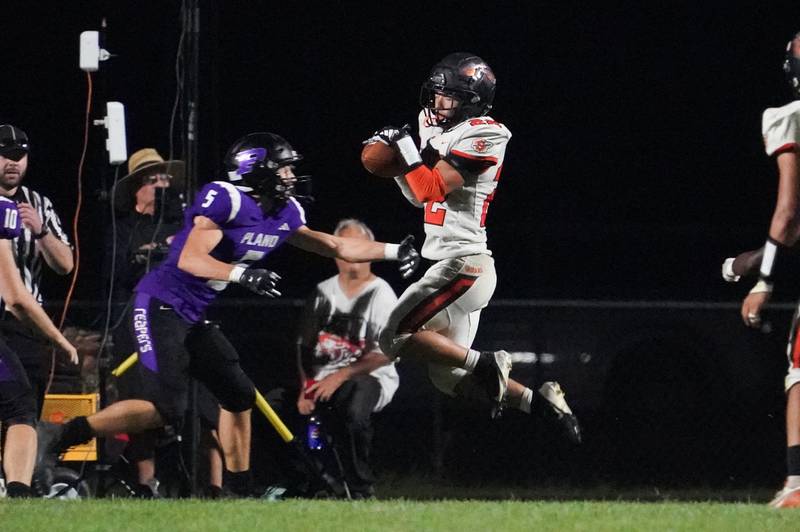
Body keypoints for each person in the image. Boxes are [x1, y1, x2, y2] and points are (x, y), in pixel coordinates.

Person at [37, 131, 420, 497]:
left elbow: (333, 244)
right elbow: (189, 258)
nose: (290, 176)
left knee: (239, 396)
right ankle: (67, 433)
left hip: (192, 314)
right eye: (282, 168)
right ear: (258, 170)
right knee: (169, 407)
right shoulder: (226, 199)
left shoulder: (285, 212)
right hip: (159, 306)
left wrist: (392, 251)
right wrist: (242, 273)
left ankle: (238, 490)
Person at [369, 53, 581, 443]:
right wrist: (399, 162)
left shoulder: (488, 133)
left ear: (471, 100)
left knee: (393, 334)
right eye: (436, 94)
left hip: (463, 266)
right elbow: (419, 196)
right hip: (451, 267)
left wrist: (407, 154)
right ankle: (541, 402)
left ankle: (488, 360)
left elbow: (430, 186)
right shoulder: (434, 125)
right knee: (449, 378)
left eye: (447, 96)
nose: (437, 103)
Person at [104, 147, 223, 498]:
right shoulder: (123, 229)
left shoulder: (186, 224)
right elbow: (119, 272)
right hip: (138, 324)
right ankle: (146, 485)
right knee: (145, 402)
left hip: (185, 320)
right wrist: (155, 248)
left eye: (165, 178)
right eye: (152, 179)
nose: (161, 184)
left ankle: (214, 487)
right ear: (137, 188)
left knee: (204, 403)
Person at [723, 32, 800, 509]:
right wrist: (752, 259)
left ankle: (797, 485)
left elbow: (788, 213)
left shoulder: (788, 117)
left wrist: (763, 280)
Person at [267, 218, 399, 498]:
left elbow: (387, 352)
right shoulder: (323, 292)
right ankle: (306, 482)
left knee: (352, 408)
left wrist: (340, 376)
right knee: (272, 407)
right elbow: (303, 345)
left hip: (365, 377)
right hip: (320, 379)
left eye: (358, 245)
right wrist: (306, 387)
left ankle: (360, 488)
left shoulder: (381, 293)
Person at [0, 195, 77, 498]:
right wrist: (58, 338)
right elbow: (16, 297)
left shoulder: (35, 205)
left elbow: (64, 263)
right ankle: (19, 494)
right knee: (21, 407)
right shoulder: (4, 209)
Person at [0, 125, 74, 416]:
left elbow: (65, 265)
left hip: (26, 324)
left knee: (27, 409)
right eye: (5, 155)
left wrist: (41, 231)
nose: (13, 163)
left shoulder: (38, 204)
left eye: (19, 156)